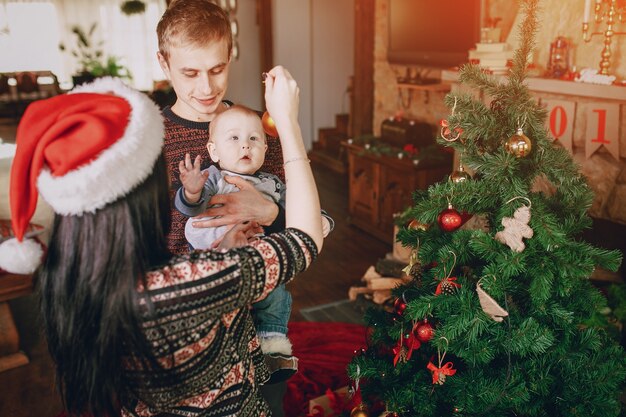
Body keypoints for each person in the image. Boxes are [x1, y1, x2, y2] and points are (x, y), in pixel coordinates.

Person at [0, 72, 322, 416]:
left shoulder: (67, 277)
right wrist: (287, 124)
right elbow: (304, 240)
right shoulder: (194, 282)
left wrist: (219, 253)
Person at [174, 105, 332, 384]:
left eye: (254, 139)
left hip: (260, 262)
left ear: (265, 148)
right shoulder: (212, 178)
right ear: (214, 151)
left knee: (276, 295)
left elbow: (298, 206)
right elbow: (190, 207)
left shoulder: (272, 183)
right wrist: (192, 190)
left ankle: (272, 347)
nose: (245, 145)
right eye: (234, 138)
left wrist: (321, 220)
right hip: (213, 262)